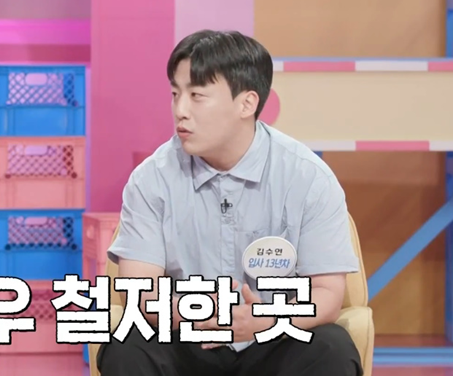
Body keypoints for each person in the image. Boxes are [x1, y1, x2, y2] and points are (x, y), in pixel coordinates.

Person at [96, 30, 363, 376]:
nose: (180, 110)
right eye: (175, 94)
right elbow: (141, 293)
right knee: (126, 346)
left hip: (272, 338)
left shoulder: (308, 177)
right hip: (187, 336)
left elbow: (326, 292)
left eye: (197, 96)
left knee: (332, 348)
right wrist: (199, 310)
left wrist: (264, 319)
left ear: (246, 104)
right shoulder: (151, 179)